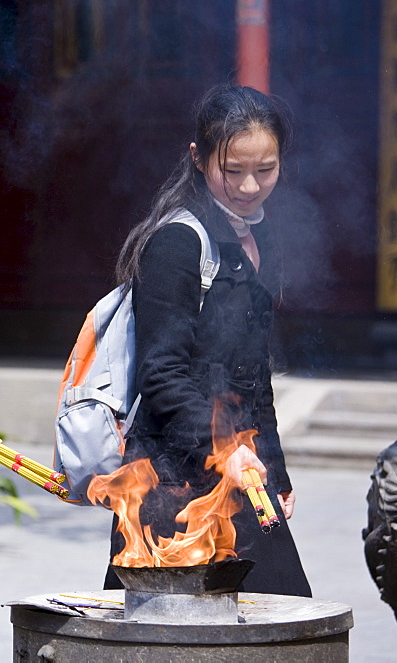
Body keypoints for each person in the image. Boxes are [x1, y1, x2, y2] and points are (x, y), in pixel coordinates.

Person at [105, 84, 311, 596]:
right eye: (232, 169)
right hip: (171, 478)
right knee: (165, 632)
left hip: (242, 466)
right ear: (198, 159)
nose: (248, 186)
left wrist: (276, 470)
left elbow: (254, 376)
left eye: (265, 170)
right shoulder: (177, 241)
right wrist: (227, 451)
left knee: (282, 610)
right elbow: (161, 376)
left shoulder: (259, 237)